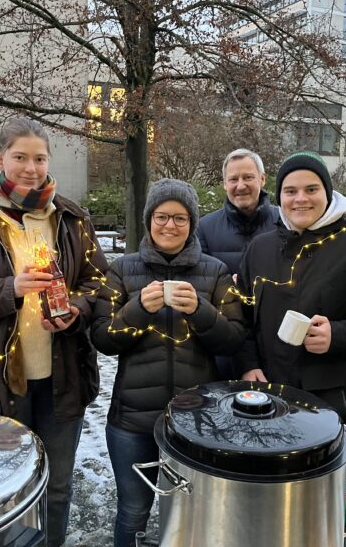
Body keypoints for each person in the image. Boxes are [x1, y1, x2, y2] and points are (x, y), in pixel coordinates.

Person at [0, 117, 107, 547]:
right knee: (4, 489)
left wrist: (76, 311)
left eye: (40, 158)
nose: (31, 167)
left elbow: (101, 283)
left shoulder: (71, 217)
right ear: (1, 159)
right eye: (20, 157)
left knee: (59, 486)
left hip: (62, 376)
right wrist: (8, 288)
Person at [91, 178, 246, 547]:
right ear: (149, 221)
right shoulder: (122, 270)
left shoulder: (215, 271)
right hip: (132, 419)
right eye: (161, 216)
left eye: (180, 218)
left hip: (198, 420)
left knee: (194, 511)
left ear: (192, 223)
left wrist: (201, 311)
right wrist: (138, 308)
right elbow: (102, 338)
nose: (169, 225)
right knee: (133, 510)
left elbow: (234, 339)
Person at [235, 151, 346, 475]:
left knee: (317, 495)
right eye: (290, 191)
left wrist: (338, 335)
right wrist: (248, 364)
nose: (300, 199)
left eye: (311, 189)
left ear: (327, 194)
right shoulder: (260, 248)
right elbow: (241, 315)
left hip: (328, 400)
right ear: (280, 196)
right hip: (266, 394)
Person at [196, 148, 278, 378]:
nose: (240, 185)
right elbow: (201, 286)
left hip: (276, 344)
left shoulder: (285, 223)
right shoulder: (205, 227)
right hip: (225, 349)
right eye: (233, 179)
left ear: (262, 179)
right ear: (224, 184)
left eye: (248, 177)